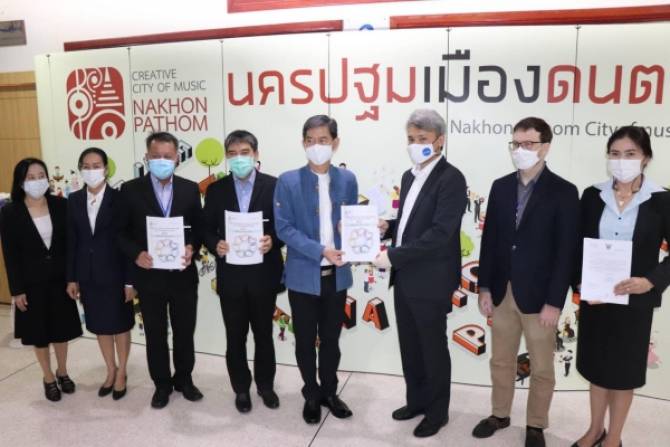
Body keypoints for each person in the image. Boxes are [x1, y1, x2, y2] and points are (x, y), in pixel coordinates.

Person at [473, 117, 580, 447]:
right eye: (516, 144)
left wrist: (554, 302)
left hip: (540, 298)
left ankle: (535, 424)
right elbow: (490, 240)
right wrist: (484, 287)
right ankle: (500, 414)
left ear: (545, 147)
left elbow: (566, 252)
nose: (521, 150)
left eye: (529, 144)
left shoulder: (564, 191)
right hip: (502, 291)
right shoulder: (500, 186)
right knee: (501, 360)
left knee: (542, 366)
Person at [572, 126, 670, 447]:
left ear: (646, 158)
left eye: (630, 154)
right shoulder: (592, 195)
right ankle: (594, 430)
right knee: (597, 369)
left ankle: (613, 437)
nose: (621, 160)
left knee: (624, 374)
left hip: (635, 303)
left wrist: (650, 281)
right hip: (597, 301)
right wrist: (582, 283)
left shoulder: (661, 199)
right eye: (615, 154)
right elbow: (576, 246)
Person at [374, 109, 466, 438]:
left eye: (422, 139)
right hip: (405, 277)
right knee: (410, 346)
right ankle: (416, 401)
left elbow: (440, 233)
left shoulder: (451, 179)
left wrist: (392, 256)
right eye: (411, 139)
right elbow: (411, 223)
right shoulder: (409, 176)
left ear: (440, 140)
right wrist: (388, 227)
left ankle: (437, 412)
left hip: (431, 279)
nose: (415, 144)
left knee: (432, 348)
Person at [274, 115, 358, 424]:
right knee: (305, 340)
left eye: (323, 140)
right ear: (303, 143)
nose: (316, 146)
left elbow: (351, 220)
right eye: (310, 140)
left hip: (336, 276)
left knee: (331, 341)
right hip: (302, 276)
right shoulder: (288, 181)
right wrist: (320, 250)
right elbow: (284, 228)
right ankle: (311, 393)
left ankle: (330, 392)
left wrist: (350, 232)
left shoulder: (347, 179)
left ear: (335, 143)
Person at [117, 131, 204, 409]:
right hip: (149, 276)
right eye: (156, 156)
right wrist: (136, 254)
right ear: (147, 157)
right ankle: (162, 384)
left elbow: (199, 229)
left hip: (183, 276)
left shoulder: (190, 189)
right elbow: (120, 233)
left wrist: (192, 247)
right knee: (155, 334)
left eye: (167, 156)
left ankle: (184, 379)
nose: (162, 161)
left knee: (184, 332)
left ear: (177, 157)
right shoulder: (130, 190)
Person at [203, 130, 284, 413]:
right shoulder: (216, 190)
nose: (239, 159)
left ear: (256, 154)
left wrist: (273, 240)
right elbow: (205, 229)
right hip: (231, 276)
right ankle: (241, 388)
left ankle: (265, 386)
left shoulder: (274, 186)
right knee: (235, 336)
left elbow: (285, 226)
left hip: (264, 274)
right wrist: (215, 244)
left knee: (264, 334)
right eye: (233, 154)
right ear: (227, 157)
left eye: (245, 153)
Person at [0, 158, 82, 401]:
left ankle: (63, 372)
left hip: (60, 281)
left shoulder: (61, 205)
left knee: (61, 330)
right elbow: (10, 254)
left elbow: (71, 245)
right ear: (20, 182)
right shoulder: (10, 212)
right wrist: (17, 290)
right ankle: (48, 377)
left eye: (41, 176)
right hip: (31, 284)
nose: (37, 181)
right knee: (40, 333)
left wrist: (72, 278)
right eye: (30, 177)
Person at [66, 147, 135, 400]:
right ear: (80, 169)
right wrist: (72, 277)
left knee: (120, 325)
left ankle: (122, 371)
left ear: (106, 169)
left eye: (96, 166)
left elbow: (129, 242)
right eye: (86, 166)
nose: (91, 170)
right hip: (88, 275)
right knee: (100, 326)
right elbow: (72, 241)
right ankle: (110, 369)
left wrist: (130, 281)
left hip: (116, 275)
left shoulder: (120, 199)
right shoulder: (74, 200)